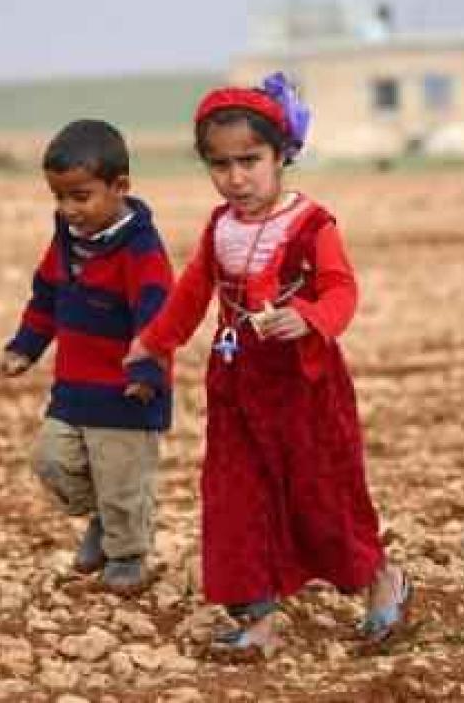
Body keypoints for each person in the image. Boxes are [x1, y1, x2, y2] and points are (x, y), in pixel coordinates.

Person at [125, 73, 410, 655]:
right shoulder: (219, 227)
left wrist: (309, 317)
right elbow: (192, 293)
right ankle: (256, 619)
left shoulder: (312, 224)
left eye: (250, 160)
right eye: (220, 164)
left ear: (283, 154)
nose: (236, 178)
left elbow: (341, 290)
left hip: (305, 388)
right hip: (236, 386)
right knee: (236, 499)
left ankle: (382, 579)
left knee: (323, 495)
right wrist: (153, 342)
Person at [0, 119, 173, 594]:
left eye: (80, 197)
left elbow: (158, 316)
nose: (67, 209)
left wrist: (145, 370)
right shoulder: (68, 240)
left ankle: (128, 555)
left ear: (120, 188)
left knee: (122, 482)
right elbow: (47, 295)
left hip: (125, 393)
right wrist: (25, 347)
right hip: (73, 388)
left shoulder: (140, 249)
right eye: (58, 197)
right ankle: (103, 518)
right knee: (51, 461)